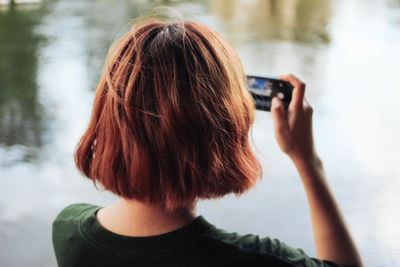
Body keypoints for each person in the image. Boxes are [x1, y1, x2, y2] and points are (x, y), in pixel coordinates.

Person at [52, 19, 363, 267]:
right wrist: (307, 160)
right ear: (226, 131)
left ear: (107, 118)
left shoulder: (69, 232)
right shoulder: (258, 259)